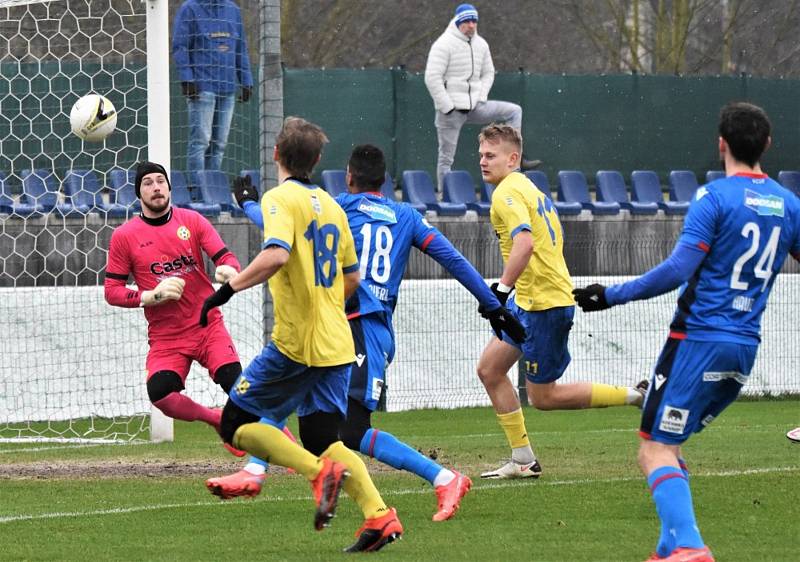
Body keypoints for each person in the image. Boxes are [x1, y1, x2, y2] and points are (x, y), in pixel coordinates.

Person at [209, 144, 525, 522]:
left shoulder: (336, 205)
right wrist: (493, 305)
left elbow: (284, 233)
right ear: (385, 180)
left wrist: (248, 205)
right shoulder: (406, 215)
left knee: (352, 430)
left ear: (348, 176)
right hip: (353, 327)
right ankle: (255, 471)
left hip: (359, 323)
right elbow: (452, 258)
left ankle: (444, 477)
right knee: (295, 392)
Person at [573, 102, 800, 562]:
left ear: (721, 145)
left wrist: (609, 294)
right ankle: (667, 549)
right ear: (768, 145)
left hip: (696, 341)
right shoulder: (789, 204)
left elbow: (678, 270)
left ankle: (692, 548)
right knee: (666, 447)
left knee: (654, 451)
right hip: (744, 348)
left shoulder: (713, 198)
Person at [199, 117, 405, 552]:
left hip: (298, 342)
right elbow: (352, 276)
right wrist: (324, 299)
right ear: (316, 160)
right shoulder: (332, 205)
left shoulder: (279, 198)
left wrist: (227, 289)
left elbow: (276, 253)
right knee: (323, 439)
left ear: (276, 155)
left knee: (235, 423)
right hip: (337, 341)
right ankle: (380, 516)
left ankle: (318, 475)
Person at [476, 123, 647, 480]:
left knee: (543, 398)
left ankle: (637, 396)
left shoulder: (507, 192)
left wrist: (501, 292)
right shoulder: (529, 188)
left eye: (490, 155)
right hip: (532, 300)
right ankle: (523, 459)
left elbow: (525, 243)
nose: (482, 161)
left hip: (544, 306)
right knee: (490, 370)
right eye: (480, 155)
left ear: (513, 158)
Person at [104, 161, 246, 457]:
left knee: (241, 391)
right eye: (148, 183)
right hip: (167, 338)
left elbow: (227, 257)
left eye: (160, 181)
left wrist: (228, 270)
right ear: (139, 193)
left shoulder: (192, 221)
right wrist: (151, 295)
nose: (156, 187)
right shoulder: (124, 236)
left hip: (207, 325)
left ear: (169, 187)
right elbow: (112, 292)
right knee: (161, 394)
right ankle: (217, 420)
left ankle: (290, 447)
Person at [424, 3, 540, 191]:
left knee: (514, 111)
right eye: (467, 21)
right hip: (450, 110)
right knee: (446, 157)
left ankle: (517, 157)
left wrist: (481, 95)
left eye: (474, 21)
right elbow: (432, 78)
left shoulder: (481, 44)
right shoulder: (444, 44)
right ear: (458, 22)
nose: (471, 25)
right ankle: (444, 195)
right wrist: (446, 105)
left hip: (476, 106)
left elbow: (488, 72)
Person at [172, 0, 253, 180]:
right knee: (201, 141)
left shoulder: (233, 10)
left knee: (219, 144)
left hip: (227, 87)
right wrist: (187, 79)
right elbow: (180, 46)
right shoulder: (190, 8)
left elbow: (240, 48)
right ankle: (197, 192)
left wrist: (246, 80)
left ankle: (212, 188)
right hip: (202, 87)